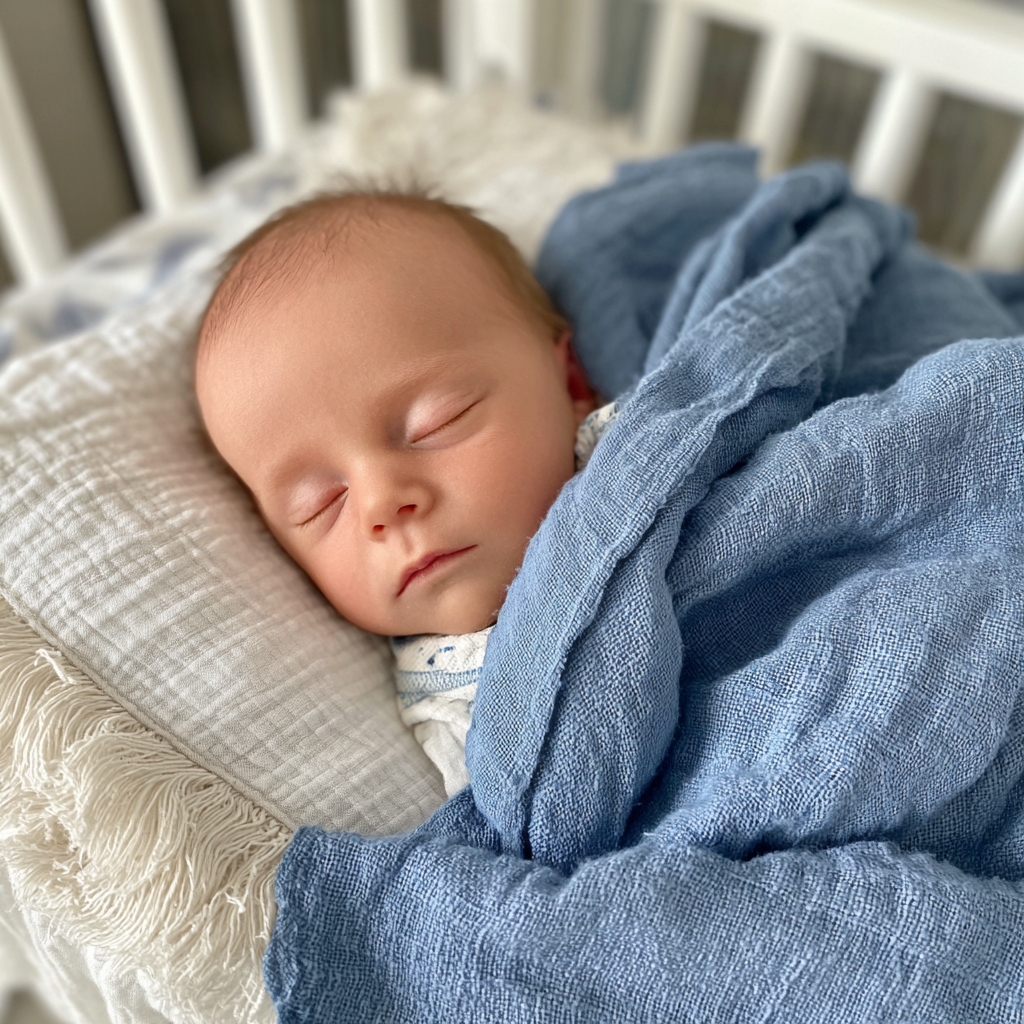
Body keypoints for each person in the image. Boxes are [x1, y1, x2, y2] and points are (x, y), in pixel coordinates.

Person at [195, 188, 616, 792]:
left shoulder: (641, 451)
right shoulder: (440, 710)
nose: (382, 502)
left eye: (437, 423)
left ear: (569, 379)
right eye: (321, 503)